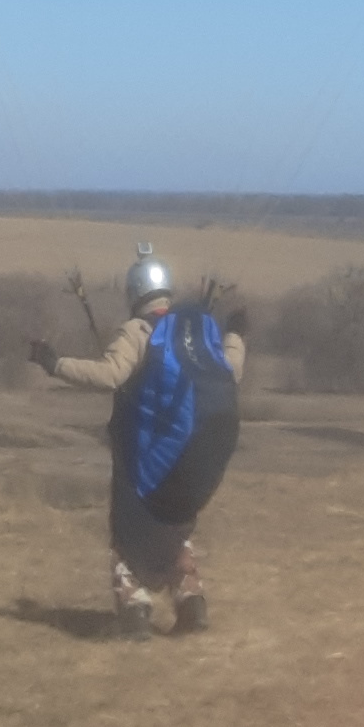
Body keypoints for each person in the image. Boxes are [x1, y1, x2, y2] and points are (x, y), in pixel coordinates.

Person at [31, 252, 242, 636]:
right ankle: (192, 604)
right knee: (174, 532)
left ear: (134, 291)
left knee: (128, 537)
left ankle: (135, 614)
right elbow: (230, 371)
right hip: (206, 461)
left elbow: (110, 374)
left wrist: (55, 364)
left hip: (150, 468)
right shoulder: (195, 333)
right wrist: (236, 335)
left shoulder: (139, 331)